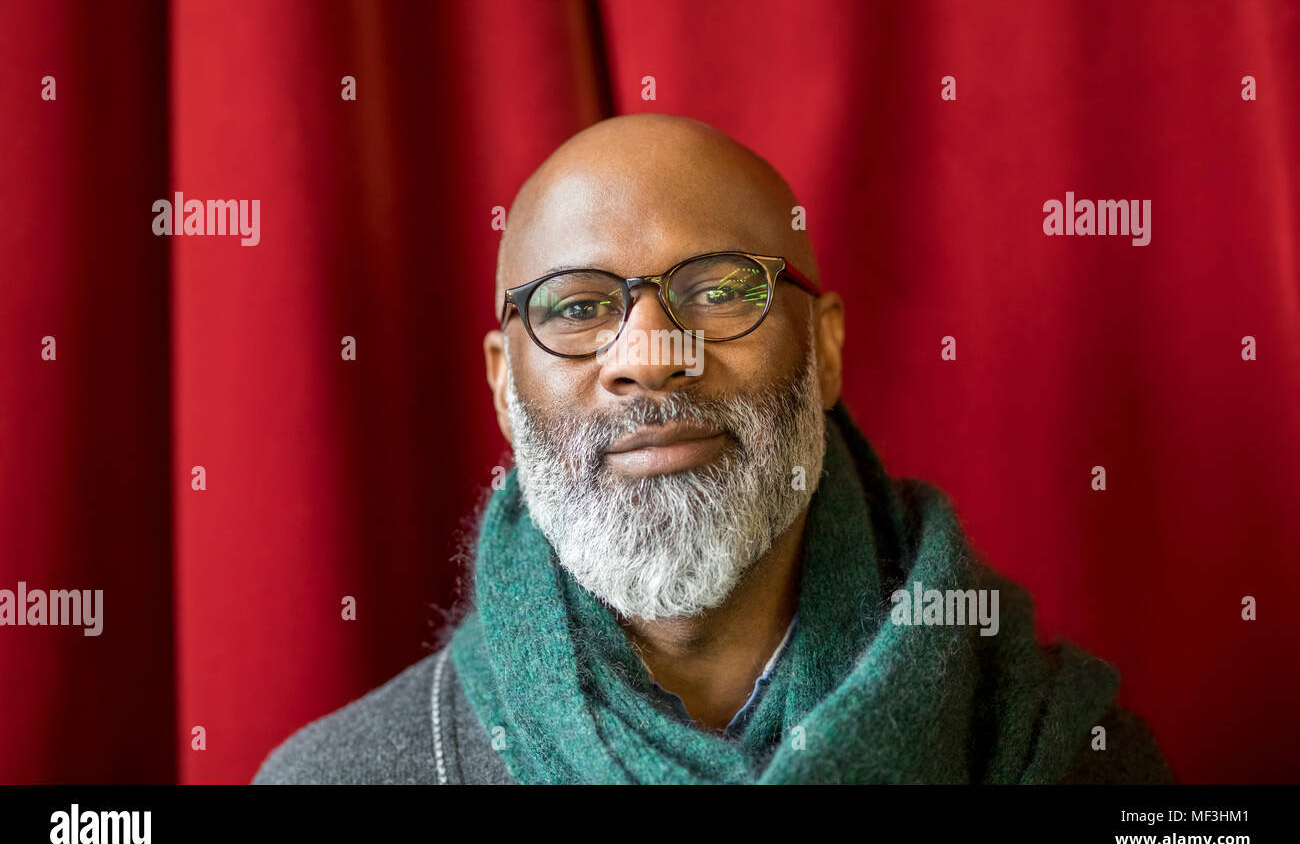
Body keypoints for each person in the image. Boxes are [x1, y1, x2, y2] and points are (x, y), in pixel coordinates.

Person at [253, 113, 1174, 784]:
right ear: (502, 382)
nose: (651, 358)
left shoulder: (1061, 750)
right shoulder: (341, 778)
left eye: (722, 291)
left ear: (824, 349)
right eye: (577, 307)